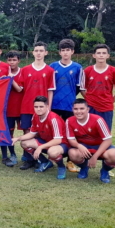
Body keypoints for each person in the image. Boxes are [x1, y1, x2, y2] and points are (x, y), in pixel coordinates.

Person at [14, 41, 56, 170]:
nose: (38, 53)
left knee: (39, 133)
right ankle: (28, 159)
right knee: (27, 131)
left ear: (45, 53)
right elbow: (19, 88)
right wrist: (10, 79)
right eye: (36, 50)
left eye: (41, 51)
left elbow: (50, 90)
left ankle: (40, 159)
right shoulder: (25, 69)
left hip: (42, 109)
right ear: (33, 52)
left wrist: (48, 107)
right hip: (27, 107)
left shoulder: (50, 70)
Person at [11, 96, 69, 179]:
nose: (38, 109)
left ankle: (61, 167)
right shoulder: (35, 116)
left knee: (52, 152)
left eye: (41, 106)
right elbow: (32, 133)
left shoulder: (53, 119)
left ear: (47, 106)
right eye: (36, 107)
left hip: (62, 145)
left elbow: (58, 140)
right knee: (24, 143)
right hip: (47, 142)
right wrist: (18, 138)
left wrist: (41, 147)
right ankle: (45, 162)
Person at [66, 99, 115, 183]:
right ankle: (84, 168)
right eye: (76, 109)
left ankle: (105, 171)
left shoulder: (98, 120)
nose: (78, 111)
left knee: (114, 155)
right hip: (85, 148)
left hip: (100, 146)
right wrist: (79, 145)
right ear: (72, 109)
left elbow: (108, 140)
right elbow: (71, 139)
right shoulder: (69, 121)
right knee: (72, 153)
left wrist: (95, 156)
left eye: (82, 109)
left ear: (87, 109)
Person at [49, 39, 83, 173]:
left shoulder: (77, 67)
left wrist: (70, 97)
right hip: (55, 105)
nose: (65, 53)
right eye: (63, 50)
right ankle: (55, 157)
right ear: (59, 52)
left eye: (67, 50)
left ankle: (70, 160)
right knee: (56, 133)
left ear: (72, 52)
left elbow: (79, 87)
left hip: (69, 106)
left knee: (70, 134)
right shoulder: (53, 66)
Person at [80, 44, 115, 130]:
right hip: (90, 107)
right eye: (98, 53)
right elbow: (82, 89)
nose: (101, 55)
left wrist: (110, 101)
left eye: (104, 53)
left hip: (106, 107)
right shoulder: (87, 70)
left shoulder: (114, 71)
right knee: (89, 131)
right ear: (94, 55)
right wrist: (89, 99)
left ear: (108, 55)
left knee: (105, 131)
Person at [2, 51, 23, 167]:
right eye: (9, 60)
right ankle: (12, 154)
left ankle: (27, 155)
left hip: (21, 108)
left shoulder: (22, 72)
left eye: (14, 60)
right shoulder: (4, 73)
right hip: (8, 109)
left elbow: (19, 89)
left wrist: (11, 78)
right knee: (9, 133)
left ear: (18, 61)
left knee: (27, 132)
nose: (12, 62)